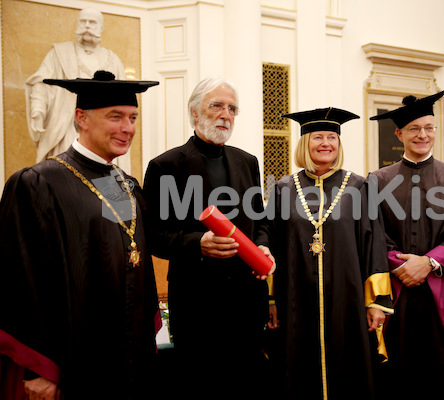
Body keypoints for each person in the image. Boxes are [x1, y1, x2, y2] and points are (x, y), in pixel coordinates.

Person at [0, 70, 160, 399]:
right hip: (71, 362)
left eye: (132, 117)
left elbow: (128, 250)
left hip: (124, 358)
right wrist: (39, 367)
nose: (127, 128)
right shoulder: (37, 183)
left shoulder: (121, 185)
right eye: (115, 117)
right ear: (81, 118)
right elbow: (20, 279)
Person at [143, 77, 274, 399]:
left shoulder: (248, 162)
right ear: (194, 112)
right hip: (197, 302)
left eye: (232, 108)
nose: (225, 114)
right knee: (200, 386)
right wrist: (196, 243)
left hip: (246, 299)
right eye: (216, 105)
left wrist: (262, 245)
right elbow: (152, 235)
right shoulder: (166, 165)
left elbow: (259, 220)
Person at [255, 107, 393, 400]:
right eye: (317, 136)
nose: (326, 143)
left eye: (332, 137)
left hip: (348, 297)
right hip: (295, 297)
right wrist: (270, 298)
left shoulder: (359, 186)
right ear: (305, 143)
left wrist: (377, 302)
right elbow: (268, 238)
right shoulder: (282, 188)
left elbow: (374, 243)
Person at [369, 90, 444, 398]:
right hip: (399, 290)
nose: (423, 135)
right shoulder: (379, 180)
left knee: (443, 377)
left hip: (443, 288)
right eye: (414, 129)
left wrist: (429, 262)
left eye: (429, 128)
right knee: (397, 372)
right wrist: (401, 263)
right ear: (399, 133)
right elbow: (373, 232)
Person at [25, 7, 129, 169]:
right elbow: (41, 82)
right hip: (67, 125)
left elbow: (124, 97)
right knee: (66, 172)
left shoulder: (113, 60)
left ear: (101, 28)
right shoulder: (59, 53)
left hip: (106, 129)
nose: (87, 26)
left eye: (92, 22)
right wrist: (38, 111)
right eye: (83, 21)